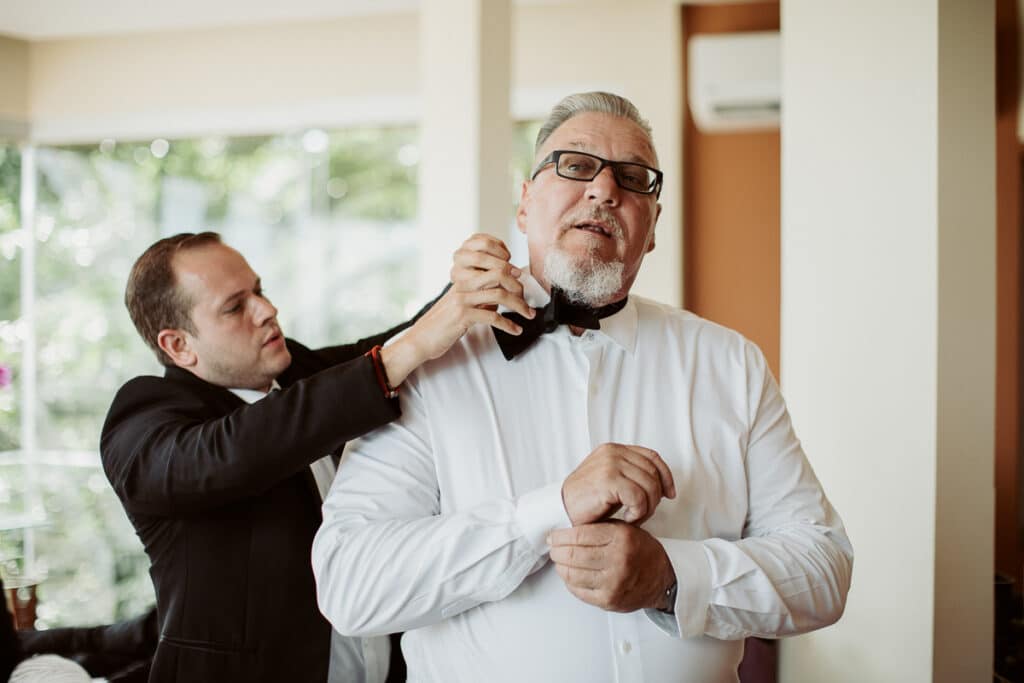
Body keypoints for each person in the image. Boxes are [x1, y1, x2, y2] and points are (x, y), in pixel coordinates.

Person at [312, 92, 854, 682]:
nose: (603, 190)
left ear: (652, 229)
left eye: (633, 178)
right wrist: (549, 512)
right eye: (575, 165)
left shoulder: (730, 363)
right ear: (524, 203)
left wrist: (672, 576)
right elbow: (351, 587)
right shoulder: (433, 366)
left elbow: (823, 570)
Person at [100, 231, 530, 683]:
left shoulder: (298, 375)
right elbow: (224, 454)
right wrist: (400, 354)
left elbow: (401, 344)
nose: (267, 310)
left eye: (259, 291)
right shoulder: (145, 417)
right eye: (235, 307)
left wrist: (466, 283)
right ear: (178, 345)